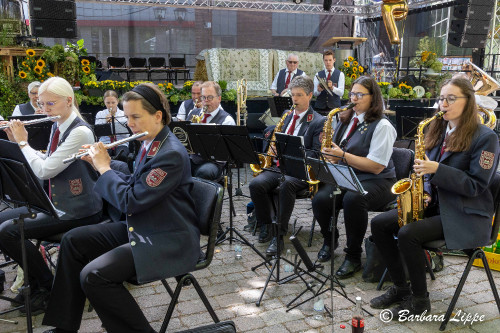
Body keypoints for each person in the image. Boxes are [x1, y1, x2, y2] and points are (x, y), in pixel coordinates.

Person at [42, 83, 200, 333]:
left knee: (94, 276)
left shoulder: (170, 153)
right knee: (73, 240)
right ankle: (64, 327)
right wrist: (99, 163)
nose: (130, 124)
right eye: (127, 117)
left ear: (157, 116)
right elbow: (134, 181)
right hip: (146, 225)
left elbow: (131, 201)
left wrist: (104, 167)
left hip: (168, 237)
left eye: (136, 117)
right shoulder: (150, 141)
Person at [369, 77, 499, 319]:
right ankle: (401, 288)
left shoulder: (485, 137)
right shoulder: (438, 130)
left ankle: (420, 301)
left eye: (451, 98)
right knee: (379, 224)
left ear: (468, 101)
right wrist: (426, 191)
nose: (444, 104)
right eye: (442, 99)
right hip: (439, 208)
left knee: (409, 234)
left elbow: (476, 185)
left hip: (467, 213)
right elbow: (424, 171)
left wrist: (438, 170)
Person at [0, 76, 103, 314]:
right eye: (41, 104)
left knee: (9, 232)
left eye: (50, 104)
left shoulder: (80, 132)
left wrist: (23, 144)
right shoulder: (58, 125)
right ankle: (36, 282)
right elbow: (48, 162)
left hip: (78, 209)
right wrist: (15, 143)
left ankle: (47, 287)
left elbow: (45, 171)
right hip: (52, 202)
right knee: (1, 224)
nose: (44, 110)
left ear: (68, 101)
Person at [311, 76, 397, 277]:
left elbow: (376, 166)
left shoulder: (382, 126)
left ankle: (353, 255)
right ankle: (329, 239)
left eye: (360, 95)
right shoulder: (348, 119)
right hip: (350, 176)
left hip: (380, 181)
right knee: (321, 199)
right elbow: (340, 154)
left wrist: (341, 155)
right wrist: (329, 154)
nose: (354, 99)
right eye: (352, 94)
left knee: (353, 199)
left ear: (373, 97)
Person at [250, 75, 325, 256]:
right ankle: (267, 223)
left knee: (286, 185)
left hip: (301, 171)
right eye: (293, 95)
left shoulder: (318, 121)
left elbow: (316, 153)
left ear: (309, 95)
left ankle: (279, 235)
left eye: (299, 95)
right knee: (255, 184)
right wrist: (273, 148)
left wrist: (293, 152)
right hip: (279, 167)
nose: (295, 99)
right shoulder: (286, 115)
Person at [186, 81, 235, 181]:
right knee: (174, 166)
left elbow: (226, 152)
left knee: (204, 172)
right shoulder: (194, 113)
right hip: (193, 158)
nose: (206, 101)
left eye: (210, 97)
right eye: (203, 97)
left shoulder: (227, 120)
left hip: (214, 162)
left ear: (219, 99)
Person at [94, 90, 129, 157]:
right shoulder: (100, 114)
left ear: (117, 101)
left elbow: (127, 134)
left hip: (121, 143)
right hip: (105, 143)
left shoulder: (123, 114)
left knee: (122, 156)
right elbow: (98, 133)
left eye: (113, 102)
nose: (110, 105)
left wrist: (115, 122)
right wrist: (105, 122)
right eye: (108, 103)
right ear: (104, 102)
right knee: (103, 156)